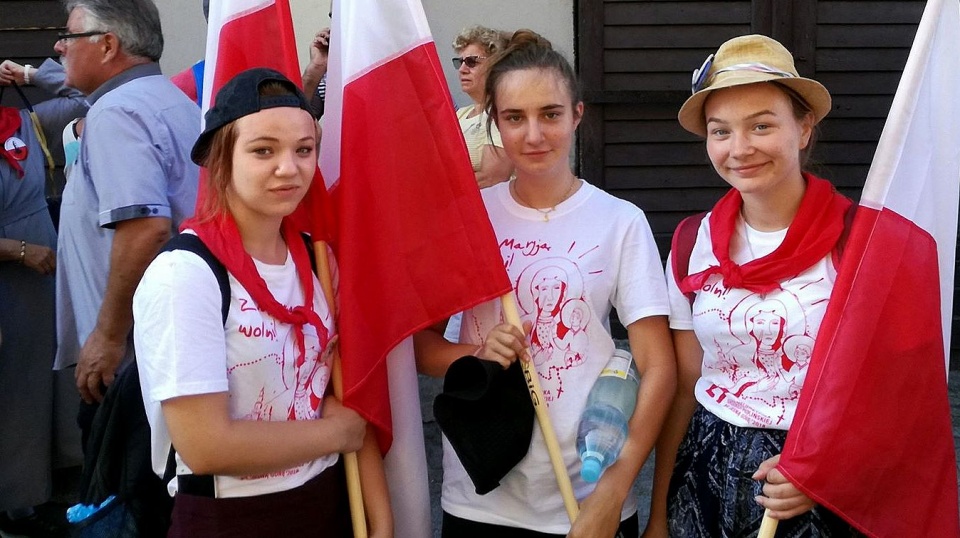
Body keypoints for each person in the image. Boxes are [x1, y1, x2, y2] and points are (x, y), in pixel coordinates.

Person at [415, 30, 676, 538]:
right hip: (481, 496)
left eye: (550, 114)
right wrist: (476, 352)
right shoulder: (469, 221)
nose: (533, 134)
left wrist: (615, 492)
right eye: (514, 117)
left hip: (587, 497)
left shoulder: (619, 221)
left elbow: (659, 366)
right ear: (494, 122)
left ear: (578, 114)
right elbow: (422, 350)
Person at [133, 67, 387, 537]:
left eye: (304, 150)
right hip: (232, 516)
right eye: (263, 150)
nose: (289, 168)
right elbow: (207, 444)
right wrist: (337, 433)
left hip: (327, 501)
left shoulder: (318, 259)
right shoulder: (185, 275)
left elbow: (346, 395)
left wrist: (382, 523)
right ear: (219, 158)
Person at [643, 35, 860, 537]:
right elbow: (683, 388)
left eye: (761, 125)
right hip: (703, 478)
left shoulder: (858, 242)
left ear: (803, 128)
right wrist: (658, 515)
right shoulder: (691, 241)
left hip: (811, 485)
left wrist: (825, 472)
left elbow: (888, 393)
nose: (739, 149)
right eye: (720, 131)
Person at [51, 0, 201, 444]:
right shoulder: (172, 101)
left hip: (135, 363)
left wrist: (107, 337)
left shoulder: (117, 112)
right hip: (169, 349)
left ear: (107, 45)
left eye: (70, 35)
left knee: (132, 501)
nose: (59, 46)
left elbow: (146, 227)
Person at [0, 56, 87, 538]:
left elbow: (86, 99)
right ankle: (16, 507)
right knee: (15, 394)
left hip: (46, 279)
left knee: (47, 387)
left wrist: (34, 75)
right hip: (12, 279)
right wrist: (19, 251)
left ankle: (49, 489)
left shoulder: (26, 123)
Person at [452, 25, 514, 188]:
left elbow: (492, 178)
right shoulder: (459, 115)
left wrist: (436, 188)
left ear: (496, 65)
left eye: (471, 62)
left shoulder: (503, 113)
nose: (462, 70)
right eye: (459, 62)